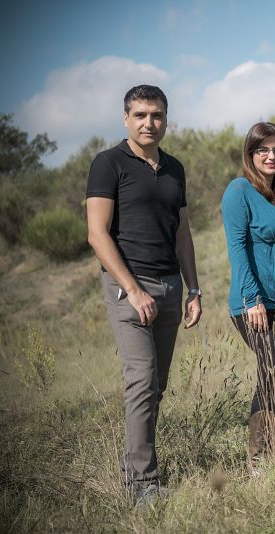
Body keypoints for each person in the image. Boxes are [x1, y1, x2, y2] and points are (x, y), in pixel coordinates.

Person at [86, 85, 202, 506]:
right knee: (140, 381)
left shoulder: (174, 168)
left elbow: (183, 232)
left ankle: (133, 465)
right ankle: (142, 484)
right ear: (125, 119)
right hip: (127, 288)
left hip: (171, 286)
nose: (148, 123)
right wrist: (133, 290)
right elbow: (96, 233)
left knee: (156, 385)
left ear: (166, 119)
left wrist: (194, 288)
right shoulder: (108, 163)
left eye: (156, 115)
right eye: (139, 115)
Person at [221, 122, 275, 473]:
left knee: (274, 375)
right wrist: (252, 297)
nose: (271, 156)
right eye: (263, 150)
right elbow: (237, 248)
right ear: (250, 154)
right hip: (255, 304)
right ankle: (261, 462)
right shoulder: (240, 190)